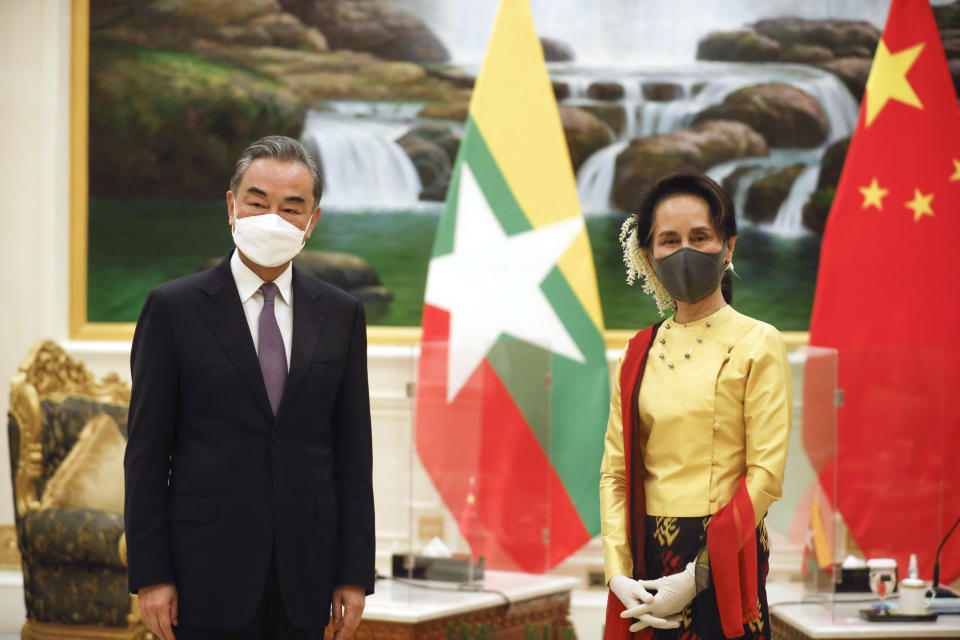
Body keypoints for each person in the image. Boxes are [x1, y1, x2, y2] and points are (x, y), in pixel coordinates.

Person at [124, 135, 375, 640]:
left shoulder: (342, 314)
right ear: (231, 205)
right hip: (203, 573)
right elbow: (147, 455)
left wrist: (354, 574)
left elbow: (353, 453)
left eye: (291, 207)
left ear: (313, 220)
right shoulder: (173, 310)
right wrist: (151, 575)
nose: (271, 219)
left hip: (307, 573)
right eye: (257, 202)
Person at [600, 171, 791, 640]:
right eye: (669, 240)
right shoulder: (638, 351)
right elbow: (615, 474)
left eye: (700, 237)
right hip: (647, 552)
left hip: (727, 551)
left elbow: (765, 475)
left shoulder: (757, 341)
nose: (684, 251)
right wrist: (617, 573)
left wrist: (698, 576)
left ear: (727, 246)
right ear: (649, 256)